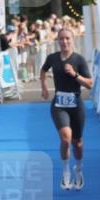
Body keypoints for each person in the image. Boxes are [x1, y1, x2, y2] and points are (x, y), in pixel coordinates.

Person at [40, 28, 93, 190]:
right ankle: (65, 172)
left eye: (67, 39)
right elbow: (43, 70)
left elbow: (90, 84)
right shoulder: (53, 58)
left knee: (77, 143)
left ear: (73, 40)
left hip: (76, 105)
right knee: (65, 139)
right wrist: (44, 87)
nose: (64, 42)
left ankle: (78, 170)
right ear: (58, 41)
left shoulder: (79, 60)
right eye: (61, 39)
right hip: (59, 105)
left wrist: (75, 75)